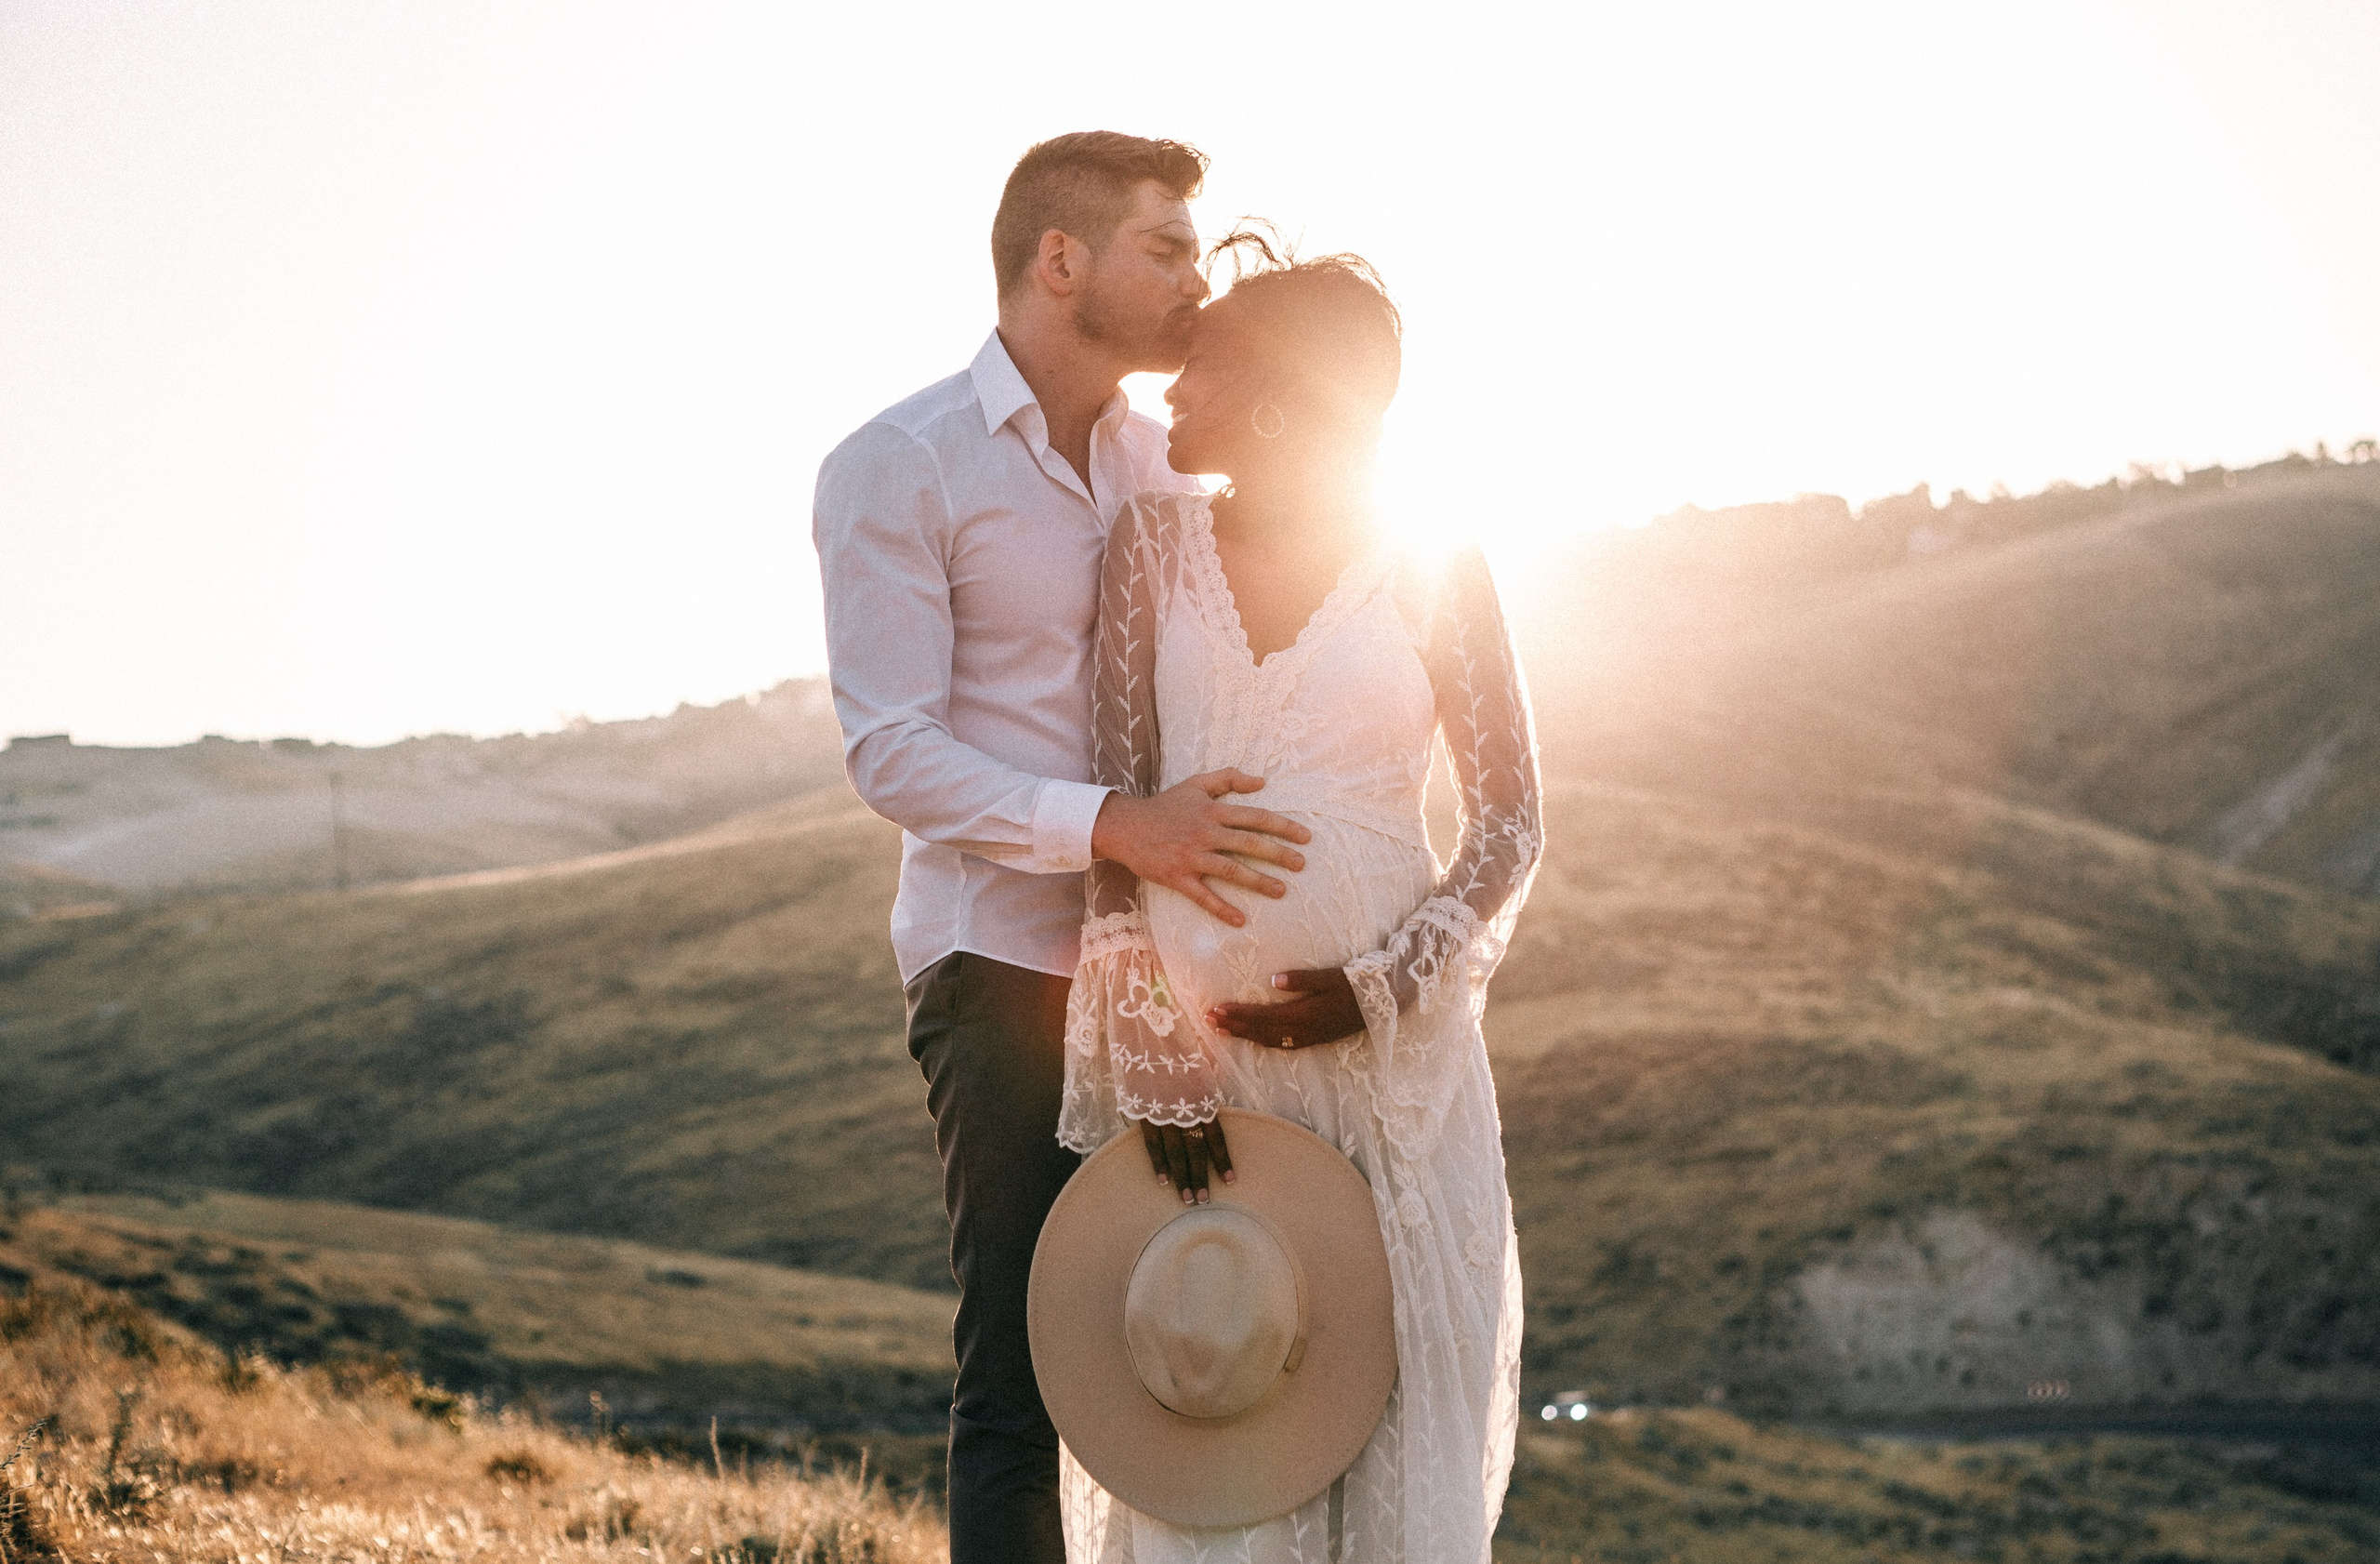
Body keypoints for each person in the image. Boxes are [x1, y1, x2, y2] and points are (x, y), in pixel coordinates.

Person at [812, 135, 1316, 1564]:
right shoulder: (896, 465)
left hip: (1182, 971)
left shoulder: (1174, 462)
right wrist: (1116, 828)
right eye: (1168, 248)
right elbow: (890, 750)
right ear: (1060, 261)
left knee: (1212, 1336)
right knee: (1027, 1376)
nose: (1196, 283)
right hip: (1003, 969)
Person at [1059, 234, 1544, 1561]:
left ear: (1276, 400)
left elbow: (1510, 823)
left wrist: (1383, 985)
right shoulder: (1152, 548)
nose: (1170, 395)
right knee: (1215, 1392)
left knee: (1380, 1414)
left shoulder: (1437, 562)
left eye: (1199, 371)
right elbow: (1112, 823)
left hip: (1391, 1079)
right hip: (1197, 1071)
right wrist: (1145, 1033)